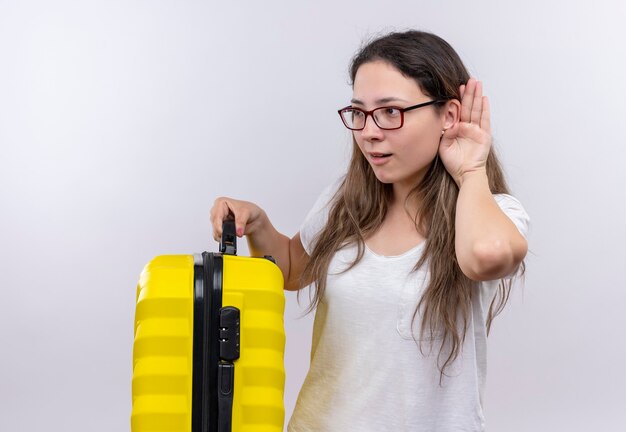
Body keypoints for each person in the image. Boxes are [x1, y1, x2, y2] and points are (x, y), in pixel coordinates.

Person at [210, 30, 529, 432]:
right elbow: (293, 269)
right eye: (359, 113)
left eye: (391, 112)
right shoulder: (347, 200)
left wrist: (470, 171)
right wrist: (259, 224)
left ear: (448, 116)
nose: (369, 132)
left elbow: (486, 255)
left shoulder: (491, 211)